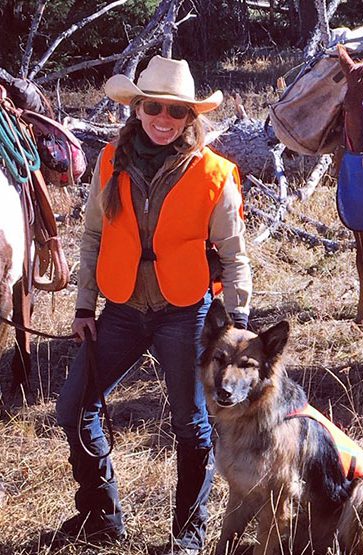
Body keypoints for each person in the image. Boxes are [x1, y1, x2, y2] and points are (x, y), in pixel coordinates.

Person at [55, 55, 252, 555]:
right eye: (154, 108)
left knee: (191, 424)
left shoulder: (215, 174)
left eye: (177, 112)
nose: (164, 120)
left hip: (185, 311)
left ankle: (188, 536)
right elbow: (94, 236)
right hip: (120, 307)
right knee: (74, 407)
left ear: (192, 117)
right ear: (137, 108)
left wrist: (239, 324)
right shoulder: (108, 161)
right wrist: (83, 308)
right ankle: (101, 517)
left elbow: (235, 257)